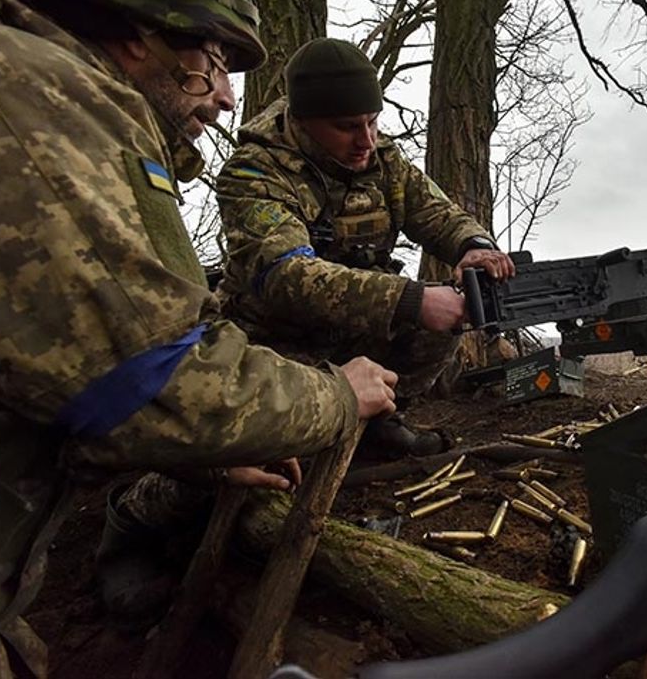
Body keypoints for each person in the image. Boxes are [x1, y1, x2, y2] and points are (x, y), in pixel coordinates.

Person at [0, 0, 396, 676]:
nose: (227, 97)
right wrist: (334, 396)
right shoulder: (27, 97)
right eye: (215, 62)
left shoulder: (22, 81)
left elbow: (42, 366)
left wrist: (467, 249)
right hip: (258, 360)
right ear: (140, 33)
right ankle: (123, 544)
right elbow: (153, 384)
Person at [214, 37, 515, 456]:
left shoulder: (383, 159)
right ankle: (301, 439)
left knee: (443, 320)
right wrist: (410, 299)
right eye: (347, 127)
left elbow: (436, 212)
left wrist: (473, 244)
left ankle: (376, 425)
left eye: (373, 122)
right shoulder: (251, 174)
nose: (366, 140)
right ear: (303, 120)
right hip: (275, 342)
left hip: (356, 330)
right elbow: (286, 277)